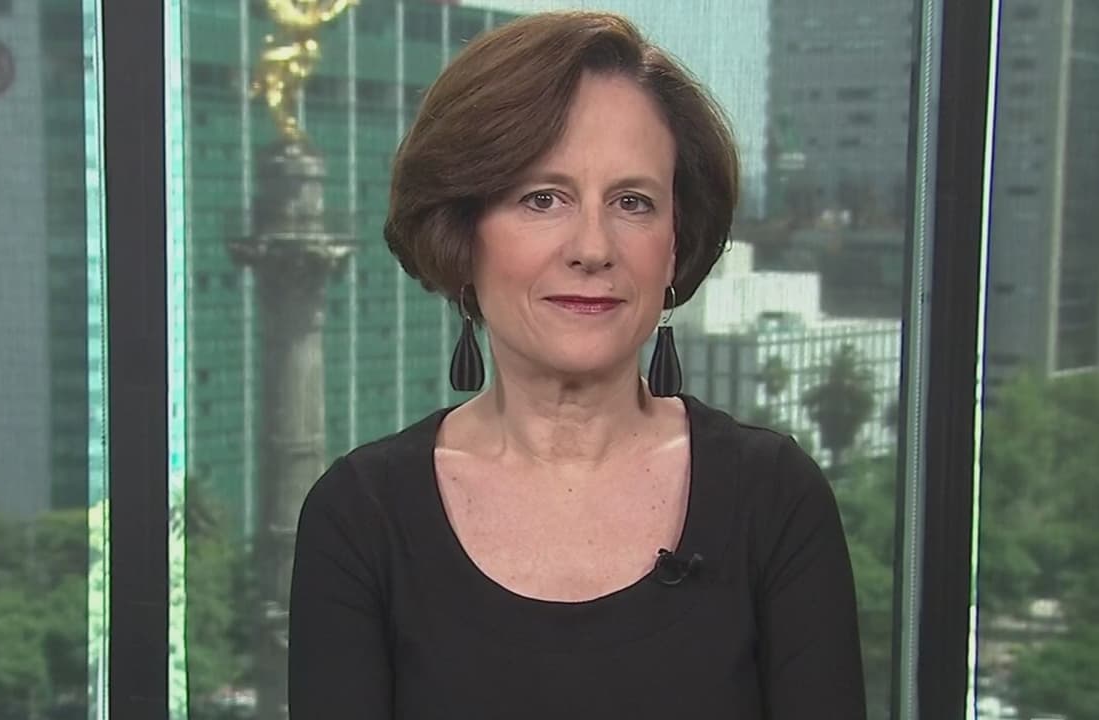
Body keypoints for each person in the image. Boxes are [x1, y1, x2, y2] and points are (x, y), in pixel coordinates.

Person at [288, 11, 866, 719]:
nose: (593, 248)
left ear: (674, 244)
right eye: (543, 199)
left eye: (632, 202)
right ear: (462, 232)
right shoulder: (360, 518)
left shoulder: (776, 499)